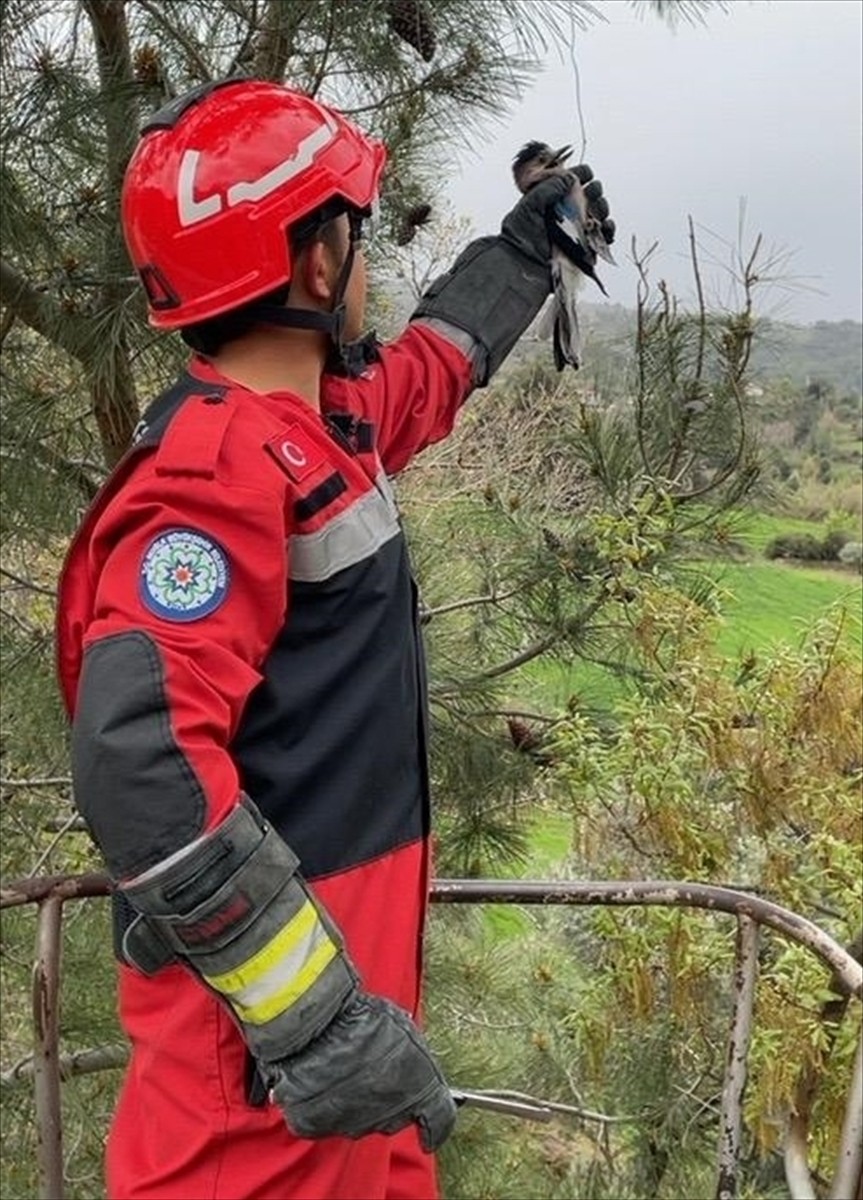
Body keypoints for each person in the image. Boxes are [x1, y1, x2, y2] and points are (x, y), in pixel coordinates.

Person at [56, 77, 614, 1200]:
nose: (366, 259)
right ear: (317, 263)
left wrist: (527, 248)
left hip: (349, 1057)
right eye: (356, 230)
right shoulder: (211, 477)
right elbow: (140, 758)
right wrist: (313, 1021)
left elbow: (432, 367)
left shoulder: (315, 430)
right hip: (259, 1097)